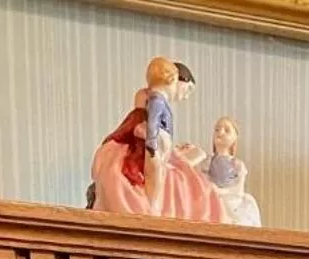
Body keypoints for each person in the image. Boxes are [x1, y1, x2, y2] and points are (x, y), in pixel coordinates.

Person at [88, 57, 221, 222]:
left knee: (185, 167)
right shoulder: (156, 99)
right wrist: (152, 143)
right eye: (187, 90)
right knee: (158, 172)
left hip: (159, 143)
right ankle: (152, 204)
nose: (186, 96)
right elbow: (152, 123)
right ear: (176, 80)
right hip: (153, 144)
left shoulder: (157, 99)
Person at [206, 116, 261, 228]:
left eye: (226, 130)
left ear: (234, 138)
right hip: (212, 197)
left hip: (230, 199)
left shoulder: (237, 164)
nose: (220, 132)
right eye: (217, 129)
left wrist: (221, 192)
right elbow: (202, 180)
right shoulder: (208, 161)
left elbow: (238, 190)